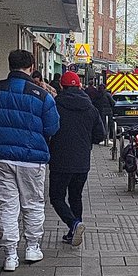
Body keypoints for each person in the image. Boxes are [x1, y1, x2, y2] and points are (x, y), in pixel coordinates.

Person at [0, 49, 60, 270]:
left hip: (2, 158)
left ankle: (10, 255)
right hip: (32, 159)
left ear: (9, 64)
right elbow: (53, 126)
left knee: (7, 206)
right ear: (32, 67)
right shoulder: (41, 95)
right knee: (33, 204)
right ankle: (32, 247)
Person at [48, 71, 105, 246]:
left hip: (60, 161)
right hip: (82, 162)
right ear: (80, 86)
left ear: (62, 86)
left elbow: (48, 129)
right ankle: (74, 229)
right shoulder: (91, 108)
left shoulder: (55, 106)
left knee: (56, 197)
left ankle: (74, 224)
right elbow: (100, 136)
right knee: (76, 196)